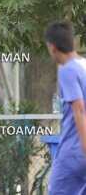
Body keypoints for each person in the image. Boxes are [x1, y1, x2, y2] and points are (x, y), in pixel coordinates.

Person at [45, 21, 86, 195]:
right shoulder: (84, 66)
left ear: (51, 46)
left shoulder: (67, 71)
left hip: (74, 154)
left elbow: (79, 110)